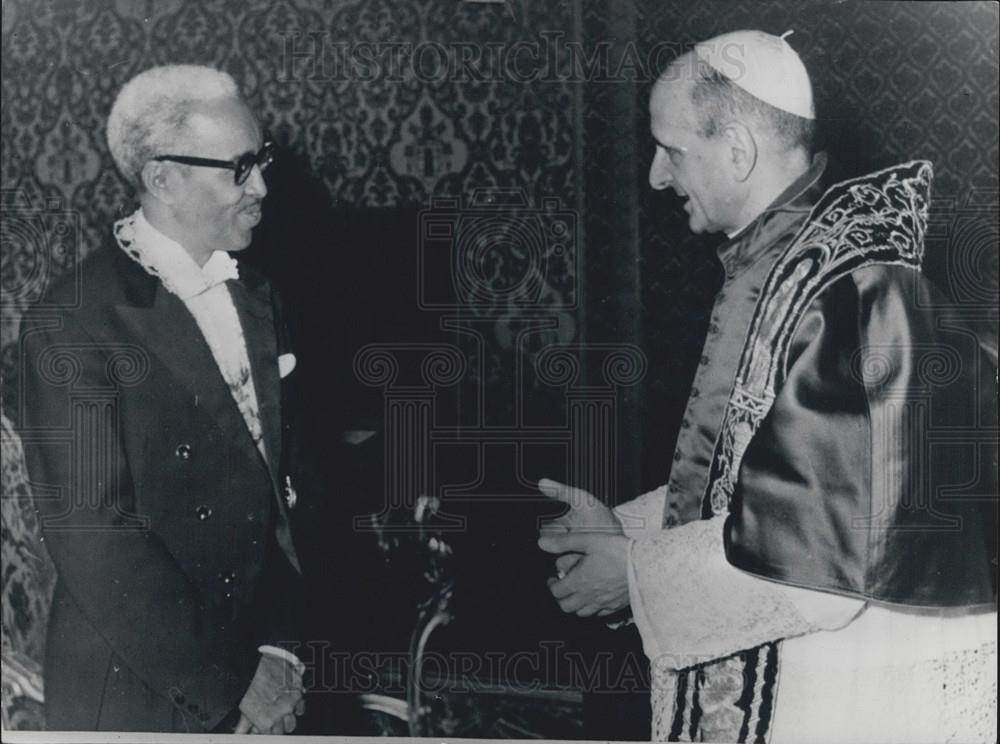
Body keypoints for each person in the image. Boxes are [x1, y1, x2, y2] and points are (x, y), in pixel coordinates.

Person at [537, 30, 997, 743]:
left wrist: (632, 573)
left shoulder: (859, 288)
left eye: (672, 150)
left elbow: (814, 569)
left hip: (859, 688)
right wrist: (626, 531)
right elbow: (771, 472)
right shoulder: (793, 259)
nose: (657, 176)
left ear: (739, 150)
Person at [20, 64, 310, 734]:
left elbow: (284, 489)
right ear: (162, 178)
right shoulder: (72, 321)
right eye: (240, 167)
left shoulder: (258, 293)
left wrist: (281, 643)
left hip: (264, 656)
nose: (263, 186)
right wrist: (234, 681)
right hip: (146, 686)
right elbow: (95, 536)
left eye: (260, 160)